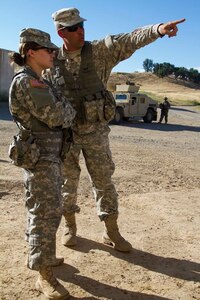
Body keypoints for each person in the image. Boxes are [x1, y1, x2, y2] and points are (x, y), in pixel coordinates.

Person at [44, 7, 185, 252]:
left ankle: (111, 232)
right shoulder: (50, 60)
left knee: (104, 182)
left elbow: (130, 39)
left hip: (96, 132)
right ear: (61, 32)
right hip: (66, 134)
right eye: (74, 28)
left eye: (81, 25)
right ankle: (70, 227)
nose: (81, 30)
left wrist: (158, 30)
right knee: (68, 182)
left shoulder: (99, 51)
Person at [9, 28, 76, 299]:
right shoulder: (29, 83)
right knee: (46, 214)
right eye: (47, 49)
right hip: (42, 159)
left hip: (49, 157)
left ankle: (39, 257)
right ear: (30, 52)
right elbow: (58, 114)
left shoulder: (41, 81)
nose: (53, 53)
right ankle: (44, 275)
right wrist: (67, 110)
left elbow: (62, 111)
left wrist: (65, 110)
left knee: (43, 210)